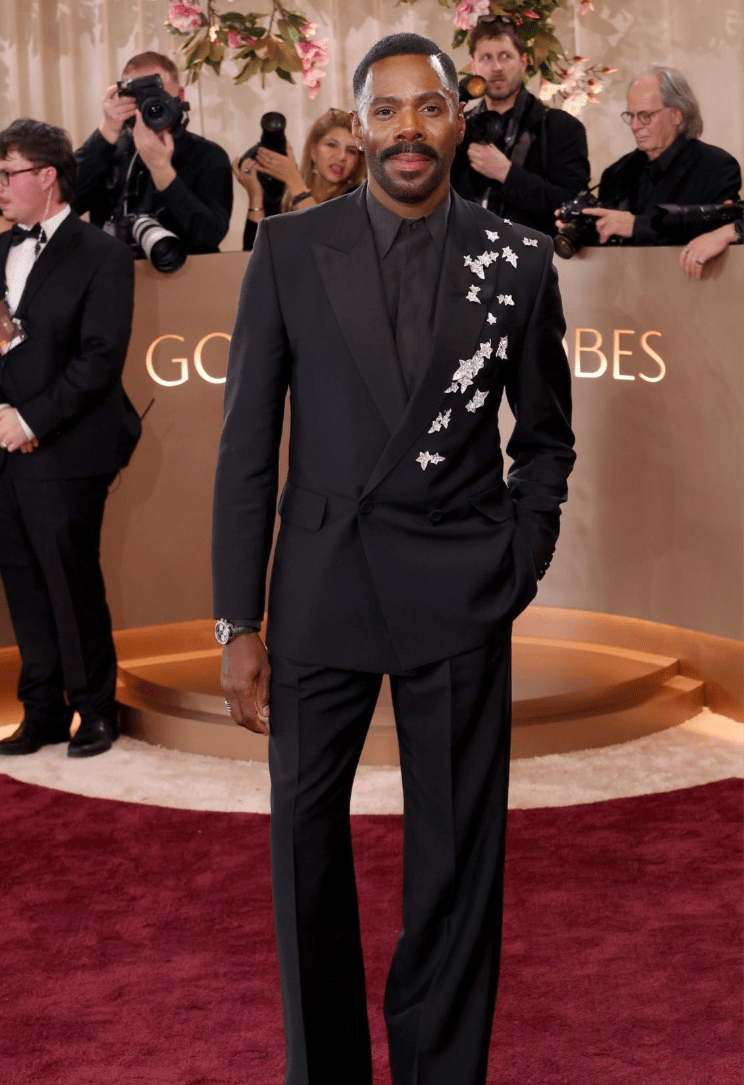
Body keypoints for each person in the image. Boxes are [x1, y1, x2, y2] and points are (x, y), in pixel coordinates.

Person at [212, 31, 575, 1085]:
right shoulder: (288, 250)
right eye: (386, 110)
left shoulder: (520, 260)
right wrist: (238, 619)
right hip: (319, 586)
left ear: (460, 120)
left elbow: (545, 440)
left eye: (429, 108)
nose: (407, 129)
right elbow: (246, 448)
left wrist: (518, 560)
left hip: (459, 591)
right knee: (304, 845)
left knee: (456, 858)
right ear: (357, 125)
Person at [0, 119, 138, 758]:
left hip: (69, 447)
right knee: (23, 583)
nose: (1, 187)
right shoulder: (0, 249)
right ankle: (42, 712)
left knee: (69, 579)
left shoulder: (103, 254)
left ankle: (96, 710)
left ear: (47, 176)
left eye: (9, 175)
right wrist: (5, 420)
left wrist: (29, 422)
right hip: (5, 447)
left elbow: (99, 360)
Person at [74, 51, 233, 255]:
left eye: (158, 96)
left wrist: (162, 171)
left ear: (180, 96)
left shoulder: (207, 155)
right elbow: (61, 204)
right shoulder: (109, 151)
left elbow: (209, 236)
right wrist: (107, 131)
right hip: (113, 271)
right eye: (139, 98)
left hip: (187, 272)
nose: (150, 106)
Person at [450, 14, 590, 235]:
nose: (496, 67)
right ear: (474, 65)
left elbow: (574, 208)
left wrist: (508, 174)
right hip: (466, 252)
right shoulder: (459, 129)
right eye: (486, 57)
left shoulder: (561, 127)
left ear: (523, 61)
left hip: (533, 254)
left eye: (505, 56)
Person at [582, 66, 741, 246]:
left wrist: (637, 226)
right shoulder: (616, 173)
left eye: (644, 115)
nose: (634, 126)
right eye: (631, 116)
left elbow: (716, 235)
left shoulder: (716, 167)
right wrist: (582, 229)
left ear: (676, 115)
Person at [233, 106, 366, 250]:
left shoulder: (359, 200)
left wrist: (293, 180)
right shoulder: (284, 194)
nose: (341, 156)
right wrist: (256, 196)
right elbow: (252, 255)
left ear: (358, 162)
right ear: (312, 150)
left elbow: (328, 245)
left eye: (351, 151)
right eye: (331, 145)